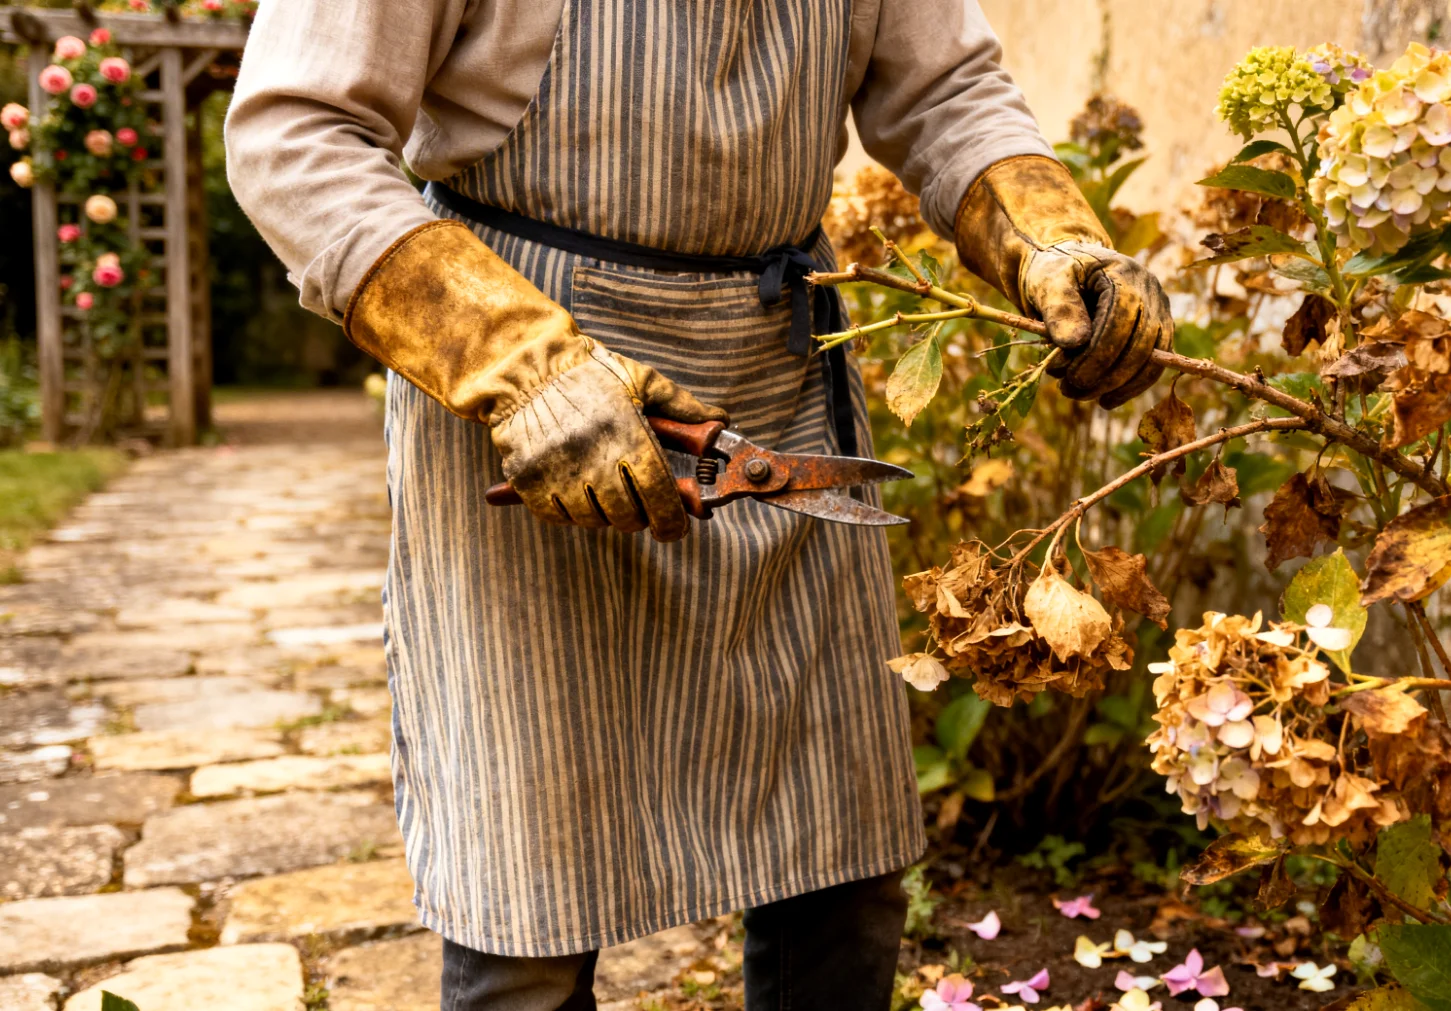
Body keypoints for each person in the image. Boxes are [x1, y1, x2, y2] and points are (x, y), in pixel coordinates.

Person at [225, 1, 1171, 1007]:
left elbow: (946, 92)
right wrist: (516, 362)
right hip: (526, 387)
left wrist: (1052, 239)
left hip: (781, 380)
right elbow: (295, 134)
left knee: (840, 862)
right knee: (528, 896)